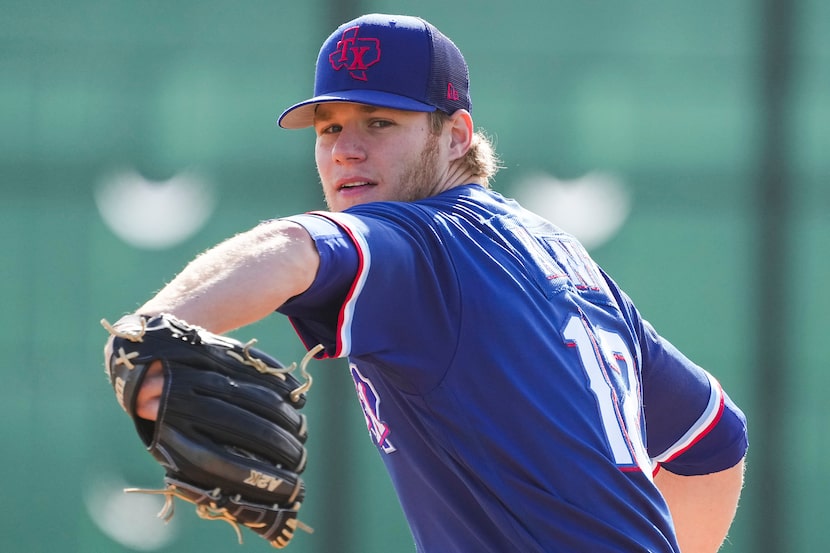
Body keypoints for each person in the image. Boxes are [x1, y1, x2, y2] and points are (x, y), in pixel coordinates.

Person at [126, 13, 747, 553]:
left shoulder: (424, 244)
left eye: (379, 122)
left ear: (455, 136)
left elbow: (291, 248)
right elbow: (712, 438)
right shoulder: (556, 256)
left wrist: (145, 335)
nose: (345, 150)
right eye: (330, 128)